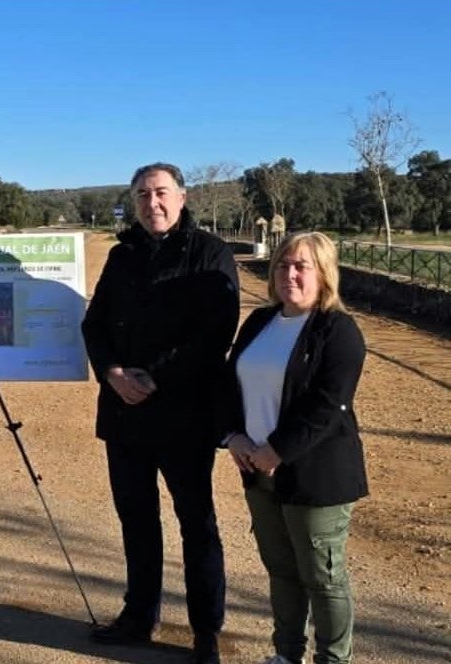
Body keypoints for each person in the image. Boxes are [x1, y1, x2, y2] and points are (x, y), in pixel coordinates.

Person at [81, 163, 239, 664]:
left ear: (182, 196)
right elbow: (95, 323)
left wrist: (155, 378)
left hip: (185, 414)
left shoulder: (210, 254)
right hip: (124, 413)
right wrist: (111, 372)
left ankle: (205, 628)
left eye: (162, 192)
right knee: (136, 518)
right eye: (144, 194)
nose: (153, 202)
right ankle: (139, 614)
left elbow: (216, 332)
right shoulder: (122, 254)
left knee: (197, 522)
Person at [221, 232, 367, 664]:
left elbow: (330, 404)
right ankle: (287, 654)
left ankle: (332, 660)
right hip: (257, 470)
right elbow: (230, 386)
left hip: (315, 477)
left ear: (324, 273)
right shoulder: (260, 322)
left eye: (302, 266)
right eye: (283, 265)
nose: (290, 274)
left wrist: (279, 450)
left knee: (323, 578)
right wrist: (234, 437)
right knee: (282, 571)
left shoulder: (338, 330)